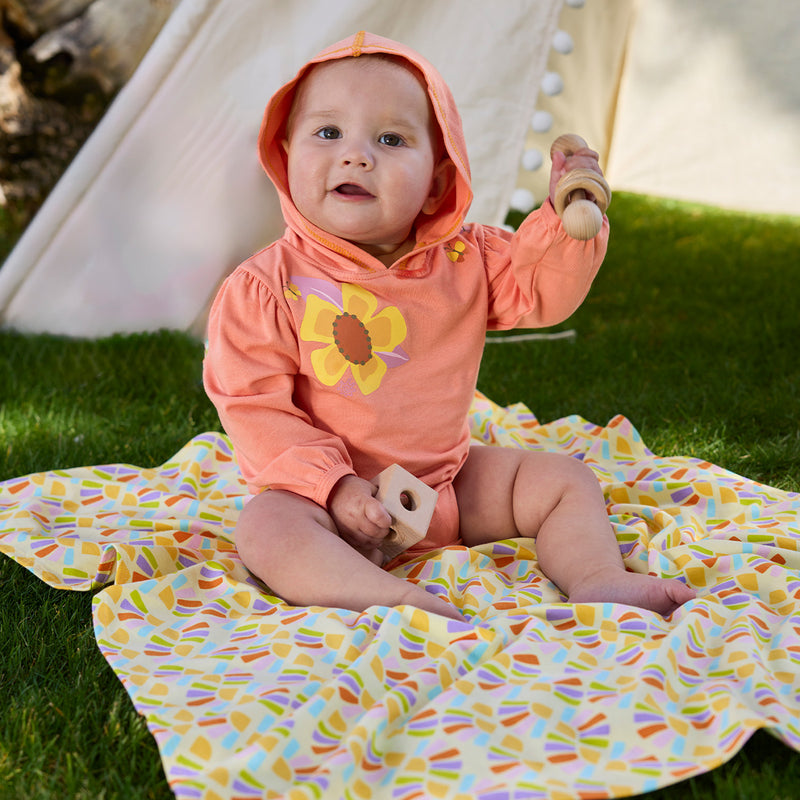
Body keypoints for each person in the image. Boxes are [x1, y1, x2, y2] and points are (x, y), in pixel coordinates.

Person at [203, 32, 696, 622]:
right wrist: (333, 486)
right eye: (328, 132)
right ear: (286, 155)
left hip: (447, 484)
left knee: (561, 478)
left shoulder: (466, 260)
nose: (356, 154)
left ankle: (595, 576)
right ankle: (390, 598)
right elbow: (255, 408)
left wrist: (564, 225)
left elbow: (540, 291)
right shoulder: (266, 287)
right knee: (266, 528)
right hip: (329, 502)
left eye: (390, 139)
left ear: (436, 181)